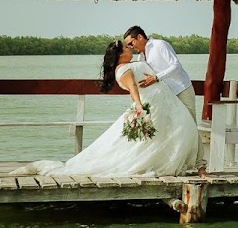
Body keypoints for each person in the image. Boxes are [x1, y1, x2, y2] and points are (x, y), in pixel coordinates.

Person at [12, 40, 198, 177]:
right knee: (141, 144)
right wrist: (140, 107)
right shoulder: (123, 70)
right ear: (119, 55)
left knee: (168, 135)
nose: (129, 48)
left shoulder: (131, 63)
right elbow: (133, 88)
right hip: (151, 105)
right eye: (126, 48)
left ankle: (172, 163)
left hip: (164, 103)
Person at [122, 26, 196, 123]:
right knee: (173, 127)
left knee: (190, 123)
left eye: (131, 43)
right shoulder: (140, 58)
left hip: (181, 89)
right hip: (166, 95)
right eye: (128, 46)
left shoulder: (159, 45)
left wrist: (157, 77)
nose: (131, 47)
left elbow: (176, 65)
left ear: (140, 37)